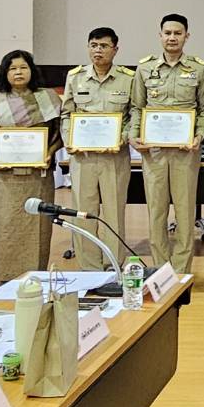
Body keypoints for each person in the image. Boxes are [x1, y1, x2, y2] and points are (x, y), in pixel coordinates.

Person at [129, 14, 204, 278]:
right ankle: (160, 270)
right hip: (153, 151)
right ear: (160, 35)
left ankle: (181, 272)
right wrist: (134, 135)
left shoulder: (198, 69)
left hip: (185, 152)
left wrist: (199, 135)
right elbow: (137, 107)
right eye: (167, 33)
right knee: (156, 211)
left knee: (185, 212)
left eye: (178, 33)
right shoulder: (144, 68)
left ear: (187, 36)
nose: (172, 38)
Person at [0, 50, 63, 281]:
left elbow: (62, 133)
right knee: (5, 227)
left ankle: (36, 275)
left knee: (39, 227)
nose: (18, 72)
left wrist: (50, 153)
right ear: (5, 72)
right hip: (4, 179)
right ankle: (6, 276)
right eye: (12, 68)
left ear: (32, 70)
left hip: (38, 176)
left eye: (23, 67)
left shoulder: (48, 97)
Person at [60, 28, 134, 270]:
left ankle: (113, 266)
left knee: (113, 213)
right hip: (83, 157)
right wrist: (69, 138)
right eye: (93, 45)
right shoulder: (76, 77)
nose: (98, 50)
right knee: (83, 214)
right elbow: (67, 114)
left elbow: (134, 115)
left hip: (114, 157)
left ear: (115, 49)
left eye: (103, 46)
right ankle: (89, 268)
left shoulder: (128, 78)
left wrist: (121, 138)